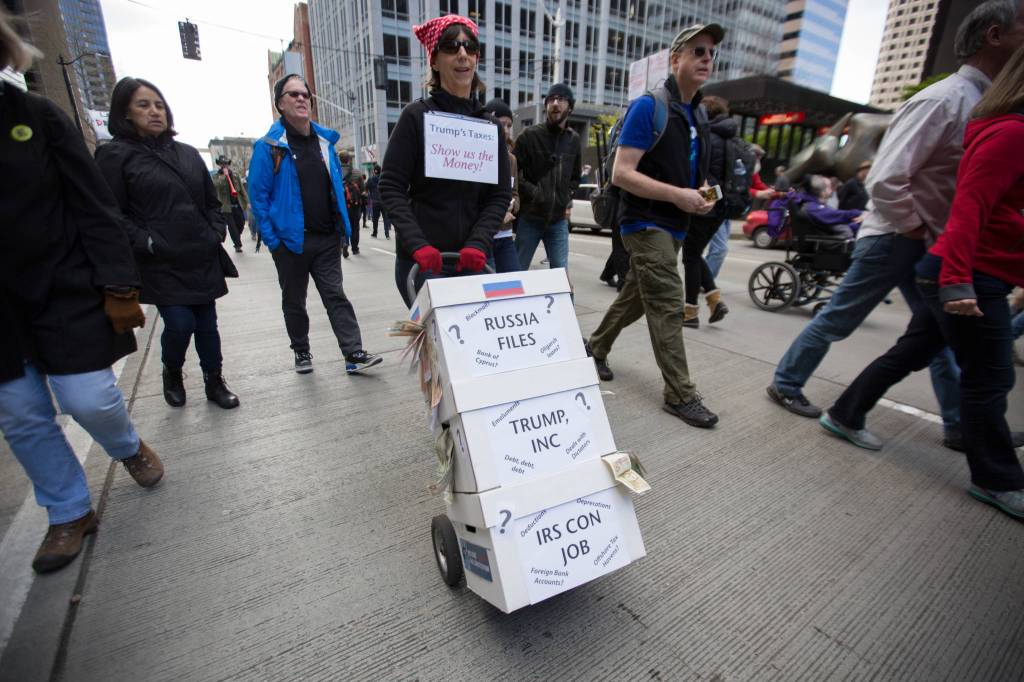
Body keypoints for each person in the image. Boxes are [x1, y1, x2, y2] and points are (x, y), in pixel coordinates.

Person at [766, 0, 1024, 450]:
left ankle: (960, 425)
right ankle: (786, 382)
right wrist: (911, 228)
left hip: (926, 241)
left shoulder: (982, 103)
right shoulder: (943, 99)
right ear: (994, 36)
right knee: (840, 318)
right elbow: (885, 178)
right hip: (897, 237)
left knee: (938, 336)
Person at [830, 44, 1024, 520]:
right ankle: (997, 476)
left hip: (962, 267)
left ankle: (845, 412)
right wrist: (956, 278)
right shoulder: (1005, 129)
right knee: (992, 376)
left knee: (915, 352)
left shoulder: (997, 125)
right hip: (965, 271)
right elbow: (966, 205)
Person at [0, 15, 162, 574]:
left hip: (60, 286)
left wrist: (119, 281)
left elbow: (94, 206)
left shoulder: (36, 118)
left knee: (87, 397)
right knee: (20, 411)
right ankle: (69, 509)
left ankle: (127, 445)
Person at [586, 23, 723, 429]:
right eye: (697, 51)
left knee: (637, 297)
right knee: (666, 301)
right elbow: (621, 173)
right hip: (644, 223)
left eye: (711, 54)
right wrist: (677, 195)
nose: (706, 59)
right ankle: (680, 393)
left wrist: (698, 195)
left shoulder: (697, 112)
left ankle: (595, 347)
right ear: (675, 58)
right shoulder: (650, 106)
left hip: (675, 225)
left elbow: (685, 174)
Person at [96, 77, 239, 410]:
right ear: (125, 112)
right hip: (159, 261)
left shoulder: (188, 155)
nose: (154, 112)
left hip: (200, 255)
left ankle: (214, 381)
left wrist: (214, 231)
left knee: (207, 324)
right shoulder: (115, 156)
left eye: (159, 105)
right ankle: (172, 371)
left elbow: (210, 203)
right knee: (179, 322)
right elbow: (109, 213)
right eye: (143, 105)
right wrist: (146, 242)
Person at [248, 74, 381, 374]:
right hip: (289, 242)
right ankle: (302, 351)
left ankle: (353, 353)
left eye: (305, 94)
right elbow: (258, 199)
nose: (301, 99)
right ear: (280, 104)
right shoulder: (268, 147)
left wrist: (342, 228)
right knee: (295, 301)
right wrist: (274, 241)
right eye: (293, 95)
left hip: (326, 239)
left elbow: (334, 186)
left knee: (336, 296)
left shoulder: (324, 142)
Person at [380, 14, 511, 306]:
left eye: (470, 47)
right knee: (438, 350)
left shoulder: (490, 127)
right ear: (435, 61)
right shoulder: (415, 117)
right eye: (451, 46)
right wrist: (418, 245)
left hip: (474, 260)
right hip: (425, 263)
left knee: (479, 349)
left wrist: (478, 243)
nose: (462, 54)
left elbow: (500, 194)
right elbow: (390, 186)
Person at [513, 82, 582, 271]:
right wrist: (535, 193)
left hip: (558, 221)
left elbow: (575, 177)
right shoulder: (529, 135)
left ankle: (566, 302)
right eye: (551, 99)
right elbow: (512, 171)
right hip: (530, 218)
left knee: (561, 273)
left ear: (570, 107)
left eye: (561, 99)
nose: (555, 103)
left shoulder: (573, 140)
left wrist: (566, 197)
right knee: (517, 270)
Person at [681, 94, 732, 328]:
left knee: (691, 256)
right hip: (722, 207)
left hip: (706, 203)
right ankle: (714, 299)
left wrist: (698, 199)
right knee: (695, 253)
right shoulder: (731, 138)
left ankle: (690, 312)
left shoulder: (707, 136)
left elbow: (700, 173)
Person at [705, 143, 776, 278]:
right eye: (758, 158)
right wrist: (757, 194)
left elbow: (755, 185)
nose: (759, 162)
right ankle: (705, 282)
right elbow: (730, 189)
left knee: (715, 250)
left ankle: (703, 281)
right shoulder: (733, 165)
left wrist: (775, 192)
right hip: (714, 210)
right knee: (718, 250)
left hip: (725, 211)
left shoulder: (746, 169)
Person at [483, 97, 522, 273]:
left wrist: (513, 207)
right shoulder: (478, 155)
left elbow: (515, 193)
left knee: (514, 285)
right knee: (488, 289)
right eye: (502, 124)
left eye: (509, 126)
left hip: (505, 235)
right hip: (484, 236)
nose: (506, 130)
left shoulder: (511, 159)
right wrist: (498, 213)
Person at [793, 174, 864, 239]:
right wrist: (861, 214)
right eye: (828, 187)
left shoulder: (812, 205)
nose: (831, 189)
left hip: (836, 237)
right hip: (836, 242)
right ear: (822, 191)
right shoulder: (813, 207)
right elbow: (838, 215)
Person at [212, 155, 248, 253]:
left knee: (241, 223)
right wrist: (224, 176)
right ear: (219, 164)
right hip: (226, 207)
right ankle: (237, 245)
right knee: (232, 227)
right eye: (222, 164)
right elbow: (216, 186)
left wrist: (247, 202)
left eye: (226, 164)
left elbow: (242, 190)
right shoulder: (216, 176)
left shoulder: (235, 175)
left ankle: (237, 237)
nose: (224, 166)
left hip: (237, 205)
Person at [343, 165, 363, 255]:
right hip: (355, 205)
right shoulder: (357, 173)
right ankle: (355, 248)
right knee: (355, 227)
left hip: (343, 205)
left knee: (344, 225)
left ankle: (345, 243)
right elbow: (362, 189)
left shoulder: (336, 170)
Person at [366, 164, 390, 239]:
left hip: (375, 201)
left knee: (375, 218)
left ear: (375, 171)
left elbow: (366, 188)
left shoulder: (371, 179)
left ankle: (375, 233)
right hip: (384, 201)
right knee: (385, 218)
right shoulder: (385, 179)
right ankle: (387, 234)